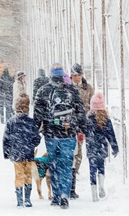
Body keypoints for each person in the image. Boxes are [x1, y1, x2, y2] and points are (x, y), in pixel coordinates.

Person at [33, 63, 86, 209]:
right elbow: (80, 111)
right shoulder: (72, 91)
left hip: (51, 134)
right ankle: (65, 194)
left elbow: (37, 114)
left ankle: (56, 196)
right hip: (68, 133)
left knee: (54, 164)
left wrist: (35, 131)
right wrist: (82, 128)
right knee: (67, 165)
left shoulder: (43, 91)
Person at [3, 94, 40, 208]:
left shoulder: (11, 122)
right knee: (28, 175)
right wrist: (32, 145)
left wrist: (7, 152)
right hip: (28, 153)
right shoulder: (31, 122)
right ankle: (27, 199)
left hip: (16, 154)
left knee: (18, 175)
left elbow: (6, 138)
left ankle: (19, 200)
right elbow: (36, 138)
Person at [83, 92, 119, 202]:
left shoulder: (88, 119)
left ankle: (94, 193)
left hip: (91, 146)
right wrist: (115, 147)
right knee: (101, 168)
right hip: (102, 146)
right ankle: (101, 185)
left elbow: (84, 131)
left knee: (92, 169)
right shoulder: (106, 120)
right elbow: (111, 135)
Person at [69, 63, 95, 199]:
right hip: (69, 123)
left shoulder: (88, 88)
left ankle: (74, 171)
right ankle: (70, 173)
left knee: (78, 151)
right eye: (74, 75)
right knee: (70, 150)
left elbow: (92, 104)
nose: (77, 77)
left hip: (82, 123)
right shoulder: (67, 87)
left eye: (79, 75)